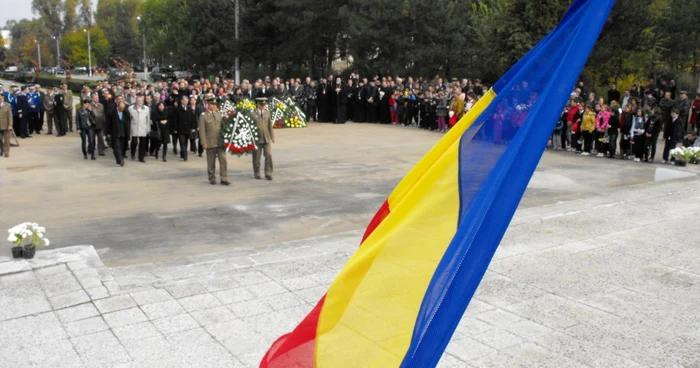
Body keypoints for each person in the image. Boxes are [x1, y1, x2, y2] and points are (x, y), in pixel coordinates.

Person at [199, 97, 229, 185]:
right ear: (208, 105)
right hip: (210, 142)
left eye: (215, 104)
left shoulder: (218, 114)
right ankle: (212, 178)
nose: (214, 106)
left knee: (223, 160)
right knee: (211, 162)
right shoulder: (203, 116)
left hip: (220, 142)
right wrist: (203, 142)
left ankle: (224, 178)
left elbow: (223, 128)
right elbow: (202, 130)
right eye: (212, 104)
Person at [252, 97, 274, 180]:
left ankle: (268, 172)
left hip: (266, 137)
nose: (263, 106)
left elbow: (270, 126)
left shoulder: (267, 113)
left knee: (269, 155)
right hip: (257, 138)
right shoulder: (253, 114)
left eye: (264, 104)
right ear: (257, 104)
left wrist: (272, 137)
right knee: (256, 157)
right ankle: (257, 173)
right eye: (261, 104)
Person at [105, 102, 130, 166]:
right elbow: (108, 123)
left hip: (123, 133)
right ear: (118, 107)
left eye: (123, 108)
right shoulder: (111, 113)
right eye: (120, 108)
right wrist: (107, 133)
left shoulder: (126, 113)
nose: (122, 109)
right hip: (115, 133)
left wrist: (128, 134)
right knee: (117, 147)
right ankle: (120, 160)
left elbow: (127, 124)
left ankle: (118, 159)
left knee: (122, 147)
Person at [128, 96, 150, 162]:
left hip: (143, 127)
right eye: (138, 100)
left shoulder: (146, 108)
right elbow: (129, 119)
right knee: (134, 142)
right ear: (136, 101)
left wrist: (148, 128)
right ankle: (133, 153)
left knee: (142, 143)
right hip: (134, 127)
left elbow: (148, 119)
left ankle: (141, 157)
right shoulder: (131, 108)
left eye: (141, 100)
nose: (139, 102)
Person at [175, 95, 195, 161]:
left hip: (187, 128)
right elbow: (175, 119)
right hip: (180, 128)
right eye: (184, 101)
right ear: (182, 101)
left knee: (186, 142)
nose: (186, 102)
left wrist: (193, 127)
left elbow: (192, 118)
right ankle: (185, 155)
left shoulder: (189, 108)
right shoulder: (177, 108)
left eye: (187, 101)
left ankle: (182, 153)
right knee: (182, 141)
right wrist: (175, 129)